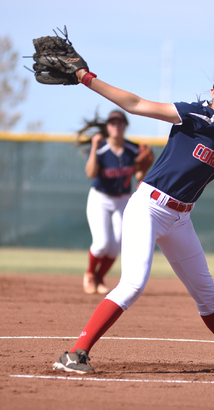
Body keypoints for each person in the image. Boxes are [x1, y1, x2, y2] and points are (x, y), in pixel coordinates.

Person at [53, 53, 214, 374]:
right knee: (133, 284)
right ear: (213, 90)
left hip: (180, 218)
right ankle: (75, 353)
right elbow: (135, 104)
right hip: (148, 206)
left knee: (207, 294)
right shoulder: (195, 115)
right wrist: (85, 78)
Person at [76, 109, 151, 295]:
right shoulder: (100, 148)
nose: (116, 125)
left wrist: (146, 163)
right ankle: (89, 275)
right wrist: (93, 147)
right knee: (102, 243)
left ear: (125, 126)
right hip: (100, 198)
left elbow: (139, 176)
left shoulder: (133, 149)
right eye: (112, 123)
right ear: (107, 127)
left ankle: (100, 277)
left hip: (123, 200)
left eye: (120, 122)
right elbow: (90, 173)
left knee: (116, 244)